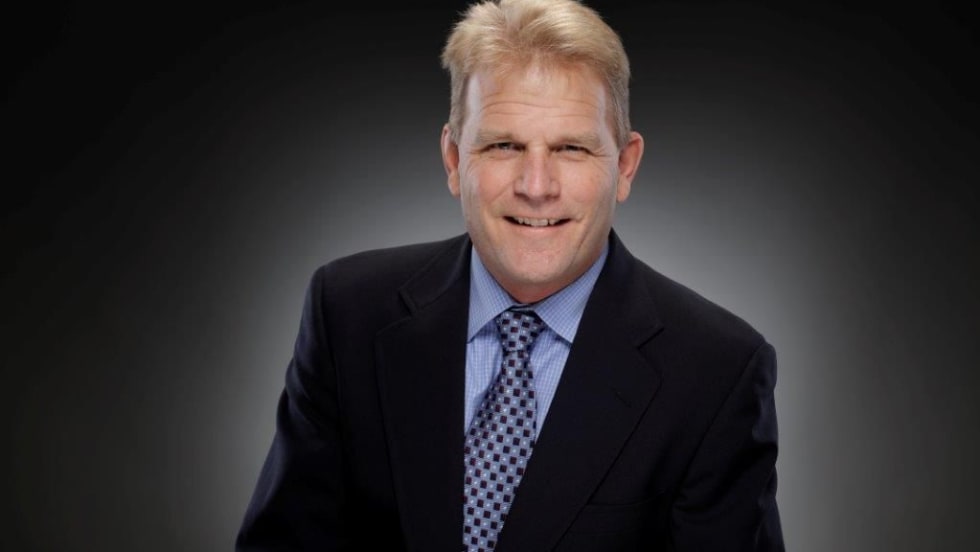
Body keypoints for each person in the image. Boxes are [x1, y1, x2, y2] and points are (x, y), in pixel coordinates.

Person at [235, 0, 784, 550]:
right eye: (504, 145)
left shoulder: (718, 372)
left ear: (625, 166)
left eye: (571, 148)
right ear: (454, 160)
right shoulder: (347, 314)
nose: (536, 186)